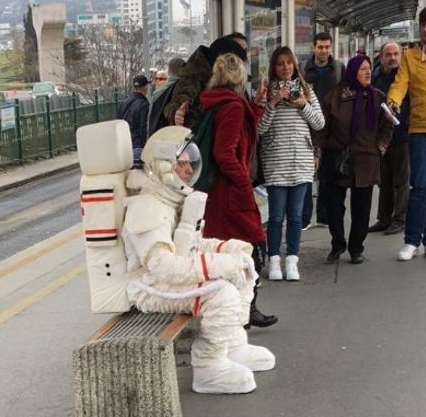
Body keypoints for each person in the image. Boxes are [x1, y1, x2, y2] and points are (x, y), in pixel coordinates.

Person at [121, 126, 275, 394]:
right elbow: (163, 266)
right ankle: (208, 367)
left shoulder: (167, 200)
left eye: (190, 163)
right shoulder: (148, 207)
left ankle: (232, 345)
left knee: (243, 268)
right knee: (222, 292)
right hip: (147, 287)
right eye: (181, 164)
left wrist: (228, 249)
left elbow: (188, 247)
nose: (189, 171)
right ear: (163, 166)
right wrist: (220, 266)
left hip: (161, 281)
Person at [199, 53, 277, 328]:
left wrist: (257, 105)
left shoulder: (215, 102)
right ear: (239, 76)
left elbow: (241, 129)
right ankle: (245, 310)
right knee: (253, 246)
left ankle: (238, 312)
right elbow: (224, 152)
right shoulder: (232, 106)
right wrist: (244, 182)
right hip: (231, 192)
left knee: (229, 252)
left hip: (216, 194)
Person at [387, 5, 426, 261]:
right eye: (423, 24)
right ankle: (412, 240)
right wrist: (393, 100)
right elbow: (399, 84)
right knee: (421, 184)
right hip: (420, 130)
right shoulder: (411, 57)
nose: (425, 29)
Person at [316, 55, 393, 264]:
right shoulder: (334, 97)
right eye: (362, 69)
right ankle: (337, 244)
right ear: (352, 72)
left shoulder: (378, 98)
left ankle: (356, 248)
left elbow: (388, 126)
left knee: (362, 209)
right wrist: (318, 153)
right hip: (338, 159)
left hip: (366, 160)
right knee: (333, 207)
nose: (368, 72)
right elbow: (322, 129)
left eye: (369, 68)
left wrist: (380, 148)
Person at [258, 46, 325, 281]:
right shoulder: (266, 94)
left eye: (289, 63)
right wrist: (272, 103)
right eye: (280, 63)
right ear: (274, 68)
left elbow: (319, 123)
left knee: (296, 216)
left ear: (295, 65)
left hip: (301, 161)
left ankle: (292, 260)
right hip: (276, 162)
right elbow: (260, 129)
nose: (285, 67)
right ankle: (274, 260)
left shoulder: (307, 91)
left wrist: (303, 105)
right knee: (276, 216)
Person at [300, 31, 346, 230]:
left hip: (330, 127)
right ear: (313, 47)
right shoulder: (302, 68)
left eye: (327, 47)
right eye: (320, 47)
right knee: (306, 172)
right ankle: (304, 217)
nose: (324, 51)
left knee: (327, 172)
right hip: (307, 125)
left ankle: (323, 216)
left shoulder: (338, 68)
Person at [368, 42, 410, 236]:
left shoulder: (405, 76)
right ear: (381, 57)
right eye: (388, 54)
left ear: (401, 56)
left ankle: (400, 219)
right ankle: (384, 219)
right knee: (383, 179)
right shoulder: (375, 75)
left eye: (396, 54)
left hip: (403, 134)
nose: (393, 58)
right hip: (382, 136)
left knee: (401, 179)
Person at [164, 35, 248, 130]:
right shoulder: (193, 79)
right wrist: (177, 114)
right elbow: (175, 106)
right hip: (197, 140)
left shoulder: (218, 79)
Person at [117, 75, 150, 167]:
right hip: (137, 145)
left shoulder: (124, 102)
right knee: (137, 173)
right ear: (145, 87)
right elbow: (143, 127)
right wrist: (144, 145)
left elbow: (118, 122)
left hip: (124, 143)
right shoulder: (144, 104)